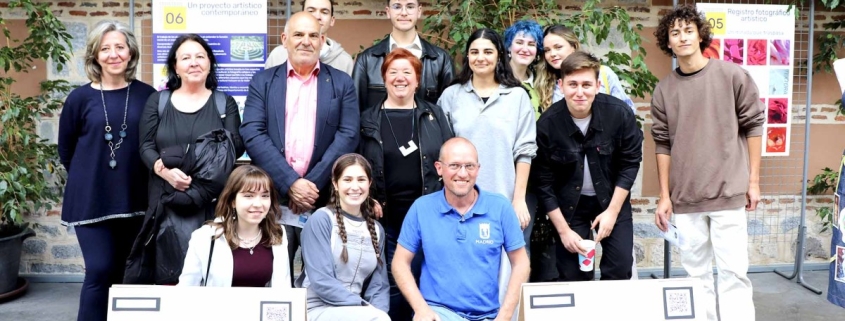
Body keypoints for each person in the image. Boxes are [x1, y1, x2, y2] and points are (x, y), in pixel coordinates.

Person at [651, 5, 764, 321]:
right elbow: (662, 143)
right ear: (668, 43)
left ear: (700, 34)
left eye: (688, 30)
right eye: (675, 33)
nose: (682, 37)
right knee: (695, 277)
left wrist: (753, 182)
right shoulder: (664, 90)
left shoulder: (732, 75)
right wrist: (664, 196)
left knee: (733, 275)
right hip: (686, 199)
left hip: (729, 193)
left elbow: (754, 125)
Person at [240, 12, 359, 285]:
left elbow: (348, 135)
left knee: (324, 279)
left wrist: (309, 185)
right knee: (271, 277)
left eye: (312, 35)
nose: (306, 41)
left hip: (323, 198)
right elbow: (252, 133)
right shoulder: (263, 82)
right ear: (284, 40)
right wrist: (290, 182)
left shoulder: (342, 83)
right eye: (298, 34)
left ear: (322, 40)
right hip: (273, 199)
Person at [57, 20, 156, 321]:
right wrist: (93, 177)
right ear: (95, 55)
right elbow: (66, 150)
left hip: (135, 200)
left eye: (120, 47)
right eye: (105, 48)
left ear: (130, 53)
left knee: (131, 273)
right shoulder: (79, 99)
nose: (113, 54)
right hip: (91, 200)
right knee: (99, 270)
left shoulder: (147, 95)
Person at [438, 28, 535, 307]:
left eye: (488, 51)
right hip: (460, 201)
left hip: (504, 199)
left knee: (508, 273)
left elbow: (525, 151)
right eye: (475, 51)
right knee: (464, 268)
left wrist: (518, 199)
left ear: (499, 56)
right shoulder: (451, 96)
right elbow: (443, 150)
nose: (481, 58)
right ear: (467, 56)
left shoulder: (517, 97)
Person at [137, 33, 245, 285]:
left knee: (212, 273)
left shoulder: (224, 103)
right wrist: (164, 171)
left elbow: (234, 146)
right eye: (185, 57)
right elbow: (144, 145)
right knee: (168, 274)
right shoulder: (159, 101)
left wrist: (194, 172)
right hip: (166, 199)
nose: (193, 62)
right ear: (175, 66)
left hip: (211, 201)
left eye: (200, 56)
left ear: (209, 63)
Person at [358, 48, 454, 320]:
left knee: (429, 280)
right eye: (393, 72)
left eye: (407, 72)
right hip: (385, 215)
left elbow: (448, 160)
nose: (400, 78)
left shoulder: (433, 115)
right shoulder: (368, 119)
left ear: (418, 80)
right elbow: (357, 164)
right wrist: (368, 199)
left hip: (429, 215)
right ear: (384, 78)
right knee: (394, 284)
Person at [392, 138, 530, 321]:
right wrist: (421, 309)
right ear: (439, 168)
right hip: (438, 314)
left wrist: (504, 316)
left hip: (488, 316)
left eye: (469, 166)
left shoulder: (500, 207)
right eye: (455, 165)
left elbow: (521, 263)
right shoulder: (421, 208)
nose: (463, 173)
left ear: (478, 169)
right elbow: (399, 263)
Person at [533, 51, 642, 282]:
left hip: (611, 200)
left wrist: (612, 212)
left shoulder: (619, 114)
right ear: (561, 85)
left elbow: (630, 163)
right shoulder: (547, 125)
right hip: (570, 206)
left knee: (620, 267)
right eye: (573, 84)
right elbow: (543, 182)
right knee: (573, 275)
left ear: (598, 85)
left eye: (586, 84)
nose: (579, 92)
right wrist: (563, 231)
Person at [297, 154, 389, 321]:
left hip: (359, 312)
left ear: (369, 183)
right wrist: (366, 309)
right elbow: (321, 281)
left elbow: (379, 286)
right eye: (347, 180)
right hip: (316, 309)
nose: (355, 187)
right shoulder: (321, 219)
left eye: (361, 180)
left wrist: (379, 311)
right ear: (335, 183)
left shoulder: (376, 229)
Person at [178, 165, 291, 287]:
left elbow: (283, 288)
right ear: (232, 201)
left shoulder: (277, 233)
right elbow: (186, 289)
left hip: (259, 306)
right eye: (249, 196)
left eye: (265, 196)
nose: (258, 204)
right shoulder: (206, 236)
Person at [353, 0, 454, 111]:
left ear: (419, 11)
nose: (404, 12)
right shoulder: (367, 59)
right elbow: (354, 110)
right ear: (388, 11)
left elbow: (449, 110)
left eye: (410, 7)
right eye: (397, 7)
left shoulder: (440, 59)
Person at [536, 25, 635, 113]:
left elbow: (628, 112)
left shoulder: (603, 74)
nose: (552, 54)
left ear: (574, 46)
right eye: (547, 50)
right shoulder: (545, 83)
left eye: (558, 47)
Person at [265, 0, 354, 75]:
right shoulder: (277, 55)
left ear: (332, 20)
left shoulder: (344, 61)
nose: (317, 17)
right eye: (311, 11)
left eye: (324, 12)